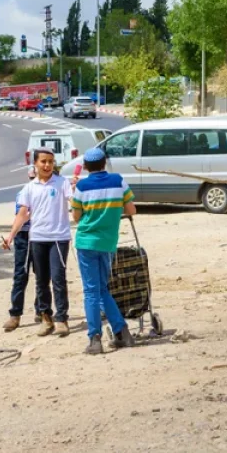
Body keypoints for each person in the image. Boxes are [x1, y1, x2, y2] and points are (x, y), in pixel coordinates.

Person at [70, 147, 136, 355]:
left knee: (91, 291)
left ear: (87, 167)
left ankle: (94, 339)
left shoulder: (82, 185)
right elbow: (131, 209)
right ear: (104, 163)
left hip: (87, 242)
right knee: (102, 289)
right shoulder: (118, 181)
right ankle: (122, 332)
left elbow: (76, 217)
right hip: (108, 243)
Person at [4, 149, 73, 337]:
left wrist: (77, 193)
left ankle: (61, 319)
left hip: (59, 238)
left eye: (51, 161)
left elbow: (73, 201)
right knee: (41, 281)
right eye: (43, 161)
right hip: (37, 238)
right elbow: (23, 214)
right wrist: (11, 235)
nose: (47, 165)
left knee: (58, 279)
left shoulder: (62, 183)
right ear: (35, 164)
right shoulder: (29, 188)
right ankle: (45, 317)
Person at [2, 165, 39, 332]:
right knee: (20, 276)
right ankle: (15, 314)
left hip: (41, 236)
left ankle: (42, 309)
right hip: (24, 237)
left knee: (43, 275)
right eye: (32, 178)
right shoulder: (23, 193)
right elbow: (21, 216)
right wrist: (11, 236)